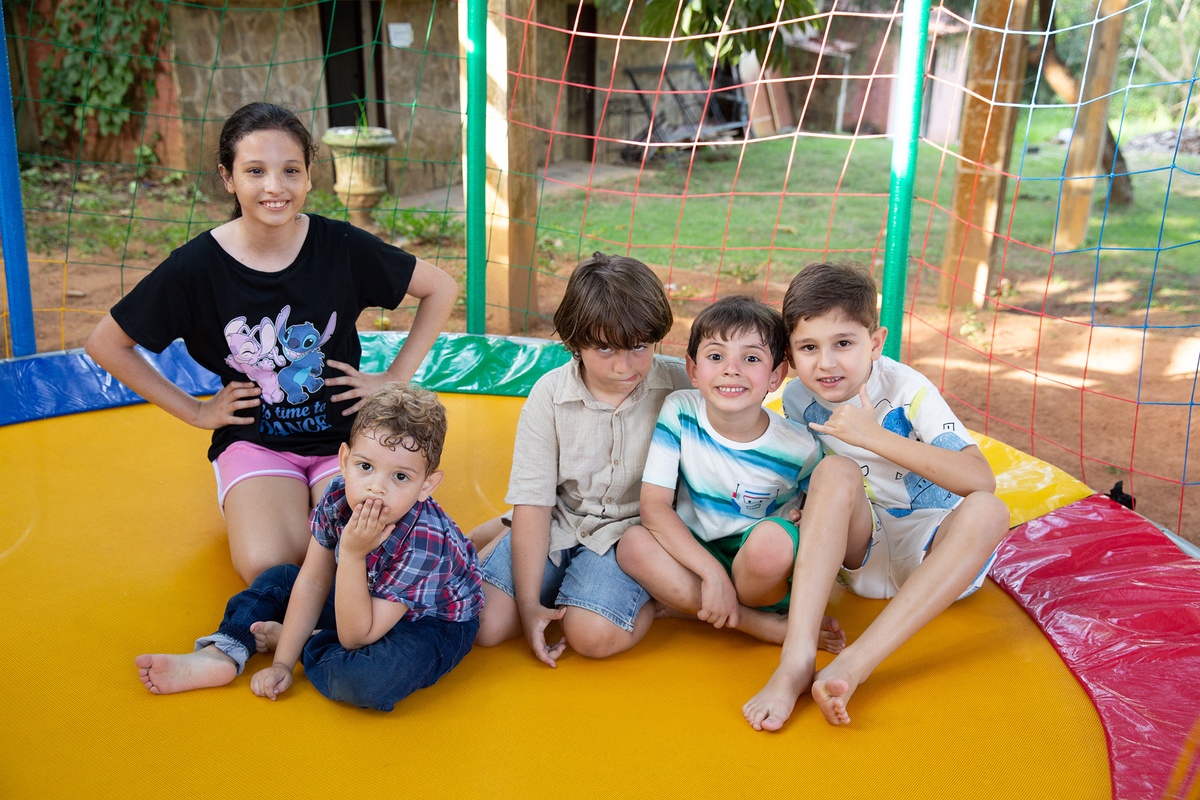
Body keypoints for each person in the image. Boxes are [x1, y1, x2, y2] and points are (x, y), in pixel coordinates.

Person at [85, 102, 458, 585]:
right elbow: (105, 343)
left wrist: (392, 379)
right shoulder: (196, 267)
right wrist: (197, 413)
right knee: (271, 566)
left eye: (290, 171)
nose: (274, 187)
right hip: (258, 441)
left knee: (371, 558)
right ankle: (264, 501)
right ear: (228, 177)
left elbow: (440, 287)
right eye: (255, 171)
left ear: (308, 177)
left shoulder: (341, 246)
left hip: (348, 443)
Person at [743, 262, 1009, 731]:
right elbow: (812, 471)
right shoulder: (800, 398)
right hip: (862, 553)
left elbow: (979, 479)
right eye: (809, 348)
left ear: (876, 342)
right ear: (791, 353)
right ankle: (797, 658)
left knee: (990, 511)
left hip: (932, 551)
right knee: (834, 470)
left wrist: (875, 436)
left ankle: (853, 666)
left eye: (843, 343)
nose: (826, 363)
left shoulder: (908, 390)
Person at [134, 382, 483, 711]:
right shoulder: (336, 494)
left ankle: (305, 640)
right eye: (365, 467)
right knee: (280, 578)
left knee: (368, 680)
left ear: (427, 485)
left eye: (401, 477)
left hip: (427, 623)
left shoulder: (425, 542)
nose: (376, 487)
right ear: (345, 460)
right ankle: (225, 649)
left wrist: (350, 554)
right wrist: (282, 664)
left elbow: (356, 638)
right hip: (361, 598)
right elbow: (314, 581)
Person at [470, 252, 692, 666]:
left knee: (592, 636)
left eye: (639, 347)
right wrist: (529, 607)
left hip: (631, 538)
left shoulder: (681, 385)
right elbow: (536, 504)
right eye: (605, 348)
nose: (624, 365)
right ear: (575, 341)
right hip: (560, 521)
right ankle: (509, 536)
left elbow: (740, 437)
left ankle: (654, 600)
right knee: (484, 625)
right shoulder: (549, 395)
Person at [618, 296, 844, 648]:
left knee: (771, 545)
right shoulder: (680, 411)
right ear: (693, 370)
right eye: (715, 356)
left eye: (751, 358)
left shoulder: (800, 446)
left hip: (760, 574)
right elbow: (654, 507)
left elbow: (824, 515)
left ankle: (702, 605)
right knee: (632, 545)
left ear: (776, 376)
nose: (731, 369)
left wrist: (806, 516)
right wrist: (711, 574)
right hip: (694, 556)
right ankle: (758, 626)